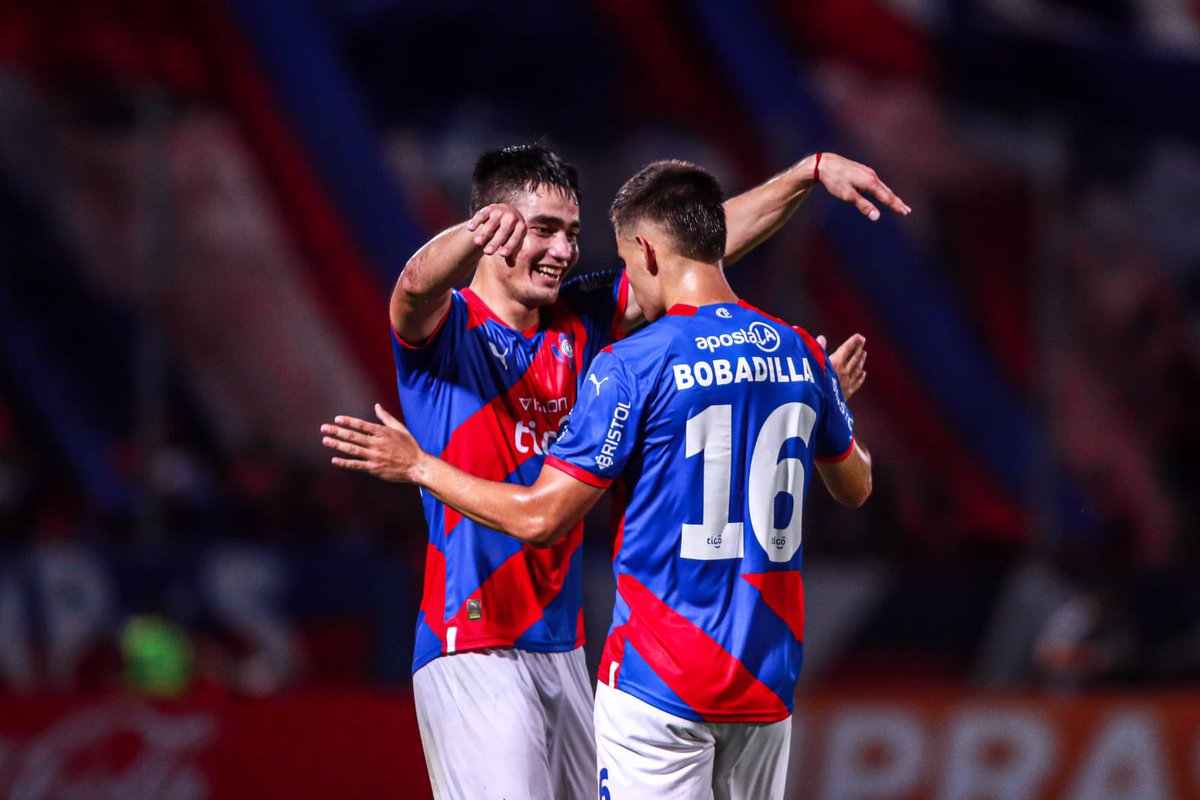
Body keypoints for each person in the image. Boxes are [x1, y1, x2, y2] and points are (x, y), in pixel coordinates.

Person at [325, 144, 903, 799]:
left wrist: (805, 174)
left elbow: (689, 252)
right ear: (491, 229)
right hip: (473, 639)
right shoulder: (449, 332)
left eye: (572, 234)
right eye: (544, 229)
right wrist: (471, 232)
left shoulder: (582, 323)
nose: (564, 250)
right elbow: (413, 286)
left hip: (565, 643)